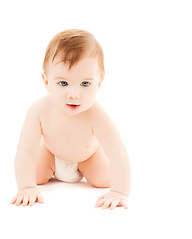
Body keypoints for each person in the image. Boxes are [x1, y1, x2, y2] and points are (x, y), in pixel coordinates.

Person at [11, 29, 131, 210]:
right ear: (46, 81)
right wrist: (26, 187)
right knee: (34, 176)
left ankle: (98, 176)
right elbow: (25, 151)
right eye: (63, 83)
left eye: (85, 84)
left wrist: (120, 192)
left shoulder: (97, 115)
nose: (74, 94)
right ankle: (39, 177)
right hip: (50, 155)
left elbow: (118, 153)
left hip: (88, 157)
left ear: (99, 83)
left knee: (103, 180)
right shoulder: (38, 110)